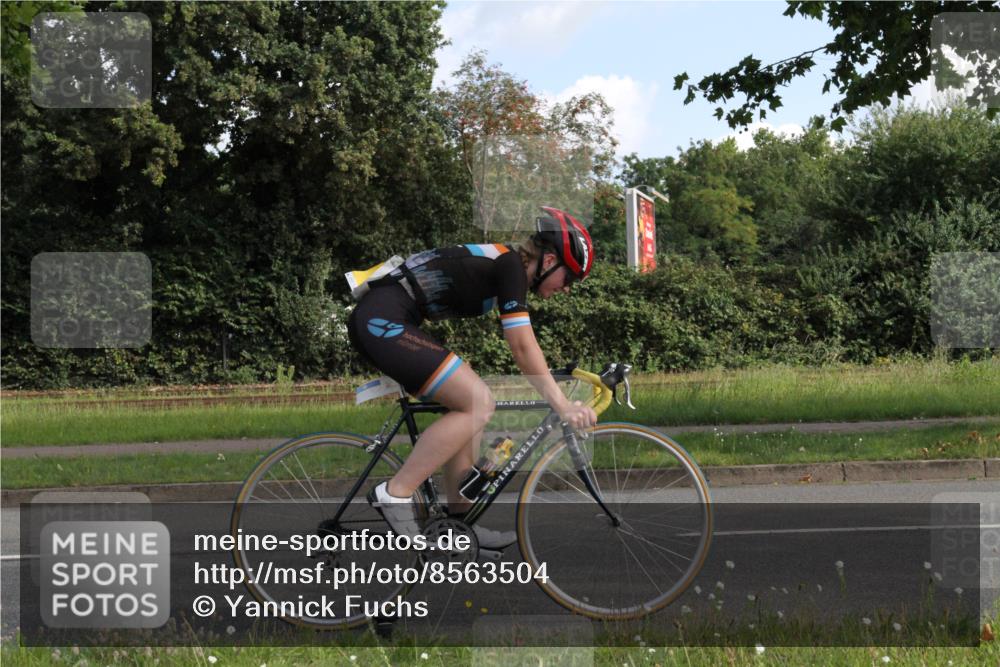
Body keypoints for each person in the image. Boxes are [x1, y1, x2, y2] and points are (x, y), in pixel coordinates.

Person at [347, 206, 598, 549]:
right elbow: (522, 348)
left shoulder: (506, 266)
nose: (567, 288)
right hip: (382, 320)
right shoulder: (511, 265)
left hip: (390, 319)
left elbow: (525, 348)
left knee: (469, 409)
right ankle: (396, 492)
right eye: (568, 279)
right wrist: (563, 404)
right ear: (550, 260)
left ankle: (455, 524)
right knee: (478, 401)